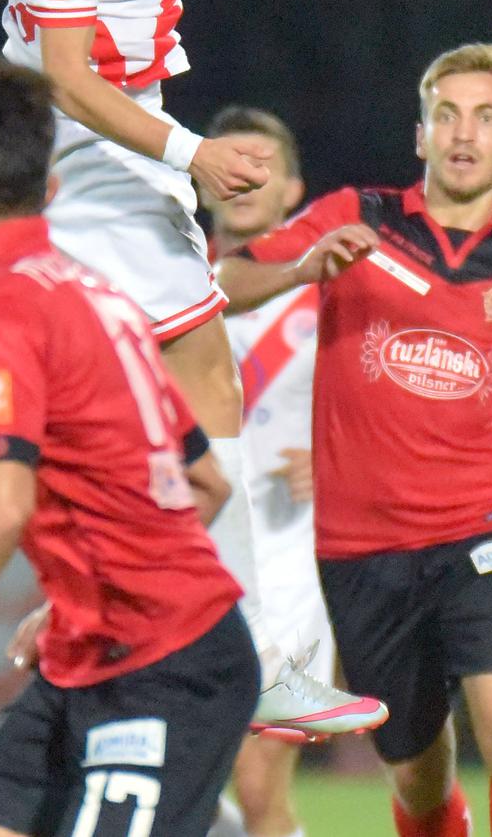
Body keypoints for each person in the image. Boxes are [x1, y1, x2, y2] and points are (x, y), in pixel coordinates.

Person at [0, 0, 387, 738]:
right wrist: (195, 152)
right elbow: (68, 75)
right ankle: (239, 658)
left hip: (113, 135)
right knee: (190, 382)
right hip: (93, 146)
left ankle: (125, 623)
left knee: (164, 396)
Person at [0, 52, 262, 836]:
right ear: (52, 190)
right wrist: (80, 598)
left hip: (167, 668)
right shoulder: (102, 298)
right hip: (89, 654)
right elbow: (206, 479)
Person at [216, 43, 492, 837]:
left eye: (486, 117)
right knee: (417, 776)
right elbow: (227, 279)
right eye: (446, 114)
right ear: (421, 134)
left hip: (481, 531)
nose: (463, 132)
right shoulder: (358, 217)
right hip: (361, 553)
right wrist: (300, 269)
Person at [198, 107, 326, 837]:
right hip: (191, 552)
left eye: (262, 166)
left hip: (292, 562)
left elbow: (388, 411)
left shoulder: (328, 289)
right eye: (233, 162)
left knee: (257, 782)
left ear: (294, 191)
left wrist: (338, 462)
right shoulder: (170, 284)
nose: (245, 179)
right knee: (174, 766)